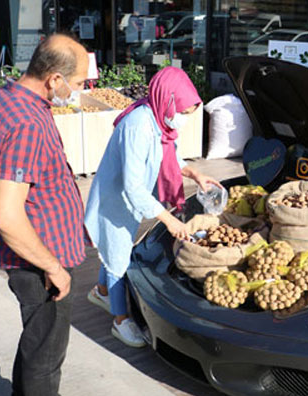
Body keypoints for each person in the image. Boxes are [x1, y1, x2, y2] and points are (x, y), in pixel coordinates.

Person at [0, 33, 97, 396]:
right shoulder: (26, 123)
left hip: (35, 251)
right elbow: (7, 215)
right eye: (78, 82)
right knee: (48, 349)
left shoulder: (5, 99)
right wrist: (53, 267)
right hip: (38, 259)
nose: (80, 90)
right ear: (53, 78)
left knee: (36, 334)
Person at [84, 66, 222, 347]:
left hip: (132, 199)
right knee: (119, 257)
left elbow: (167, 156)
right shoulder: (137, 126)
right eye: (183, 113)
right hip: (117, 199)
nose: (183, 120)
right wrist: (169, 221)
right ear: (167, 99)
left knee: (114, 249)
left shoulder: (159, 120)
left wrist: (195, 174)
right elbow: (132, 187)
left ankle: (100, 292)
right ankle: (120, 321)